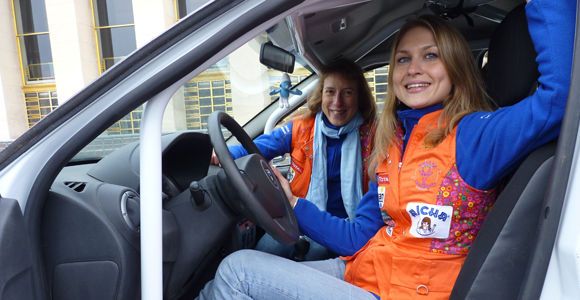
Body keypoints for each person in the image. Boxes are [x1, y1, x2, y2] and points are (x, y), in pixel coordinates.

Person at [198, 0, 574, 299]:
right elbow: (357, 237)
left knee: (238, 270)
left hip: (407, 292)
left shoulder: (475, 135)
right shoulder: (392, 142)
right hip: (366, 272)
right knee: (231, 278)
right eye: (403, 59)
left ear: (456, 68)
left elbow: (556, 101)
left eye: (430, 56)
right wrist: (292, 204)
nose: (413, 69)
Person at [212, 59, 379, 260]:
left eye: (348, 92)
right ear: (321, 94)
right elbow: (255, 148)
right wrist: (219, 154)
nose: (337, 102)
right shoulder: (300, 128)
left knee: (314, 253)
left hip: (342, 229)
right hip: (297, 216)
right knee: (260, 255)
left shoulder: (376, 135)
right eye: (330, 92)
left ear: (360, 97)